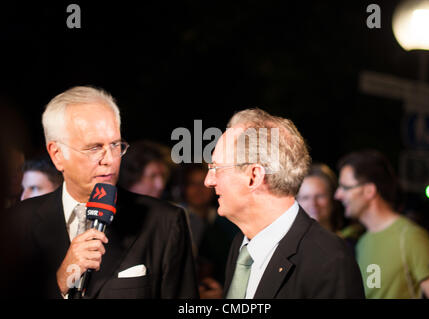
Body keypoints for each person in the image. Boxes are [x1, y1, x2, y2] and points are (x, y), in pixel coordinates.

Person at [10, 86, 198, 299]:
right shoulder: (16, 224)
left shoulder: (164, 222)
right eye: (94, 148)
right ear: (57, 154)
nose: (110, 159)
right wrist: (61, 281)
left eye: (115, 145)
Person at [204, 108, 365, 299]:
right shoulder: (241, 245)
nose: (208, 181)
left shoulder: (329, 261)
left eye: (216, 168)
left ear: (254, 176)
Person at [335, 150, 429, 299]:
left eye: (345, 187)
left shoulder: (410, 237)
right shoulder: (363, 241)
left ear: (369, 190)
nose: (337, 194)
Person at [178, 163, 239, 298]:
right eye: (192, 184)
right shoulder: (175, 220)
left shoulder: (226, 220)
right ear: (183, 188)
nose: (199, 189)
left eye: (202, 183)